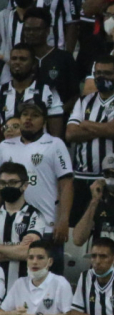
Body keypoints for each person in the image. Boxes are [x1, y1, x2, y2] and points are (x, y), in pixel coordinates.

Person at [67, 55, 114, 228]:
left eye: (107, 73)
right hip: (83, 177)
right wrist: (104, 129)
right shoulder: (84, 100)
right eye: (98, 73)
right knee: (79, 229)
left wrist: (86, 125)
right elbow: (70, 133)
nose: (102, 77)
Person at [0, 101, 73, 246]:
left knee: (46, 267)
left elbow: (66, 184)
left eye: (35, 115)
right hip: (9, 223)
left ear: (44, 121)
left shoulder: (55, 144)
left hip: (47, 225)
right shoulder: (5, 146)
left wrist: (64, 219)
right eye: (24, 114)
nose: (28, 119)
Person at [72, 154, 114, 275]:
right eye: (107, 174)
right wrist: (94, 201)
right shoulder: (98, 200)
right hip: (100, 269)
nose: (111, 178)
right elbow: (78, 239)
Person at [0, 43, 64, 136]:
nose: (17, 62)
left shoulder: (47, 91)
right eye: (14, 59)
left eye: (23, 59)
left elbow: (56, 132)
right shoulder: (1, 90)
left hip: (38, 148)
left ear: (34, 64)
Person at [0, 161, 44, 295]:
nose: (7, 187)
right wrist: (15, 250)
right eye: (2, 183)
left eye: (13, 182)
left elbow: (28, 252)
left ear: (25, 185)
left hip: (24, 293)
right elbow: (21, 251)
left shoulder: (35, 215)